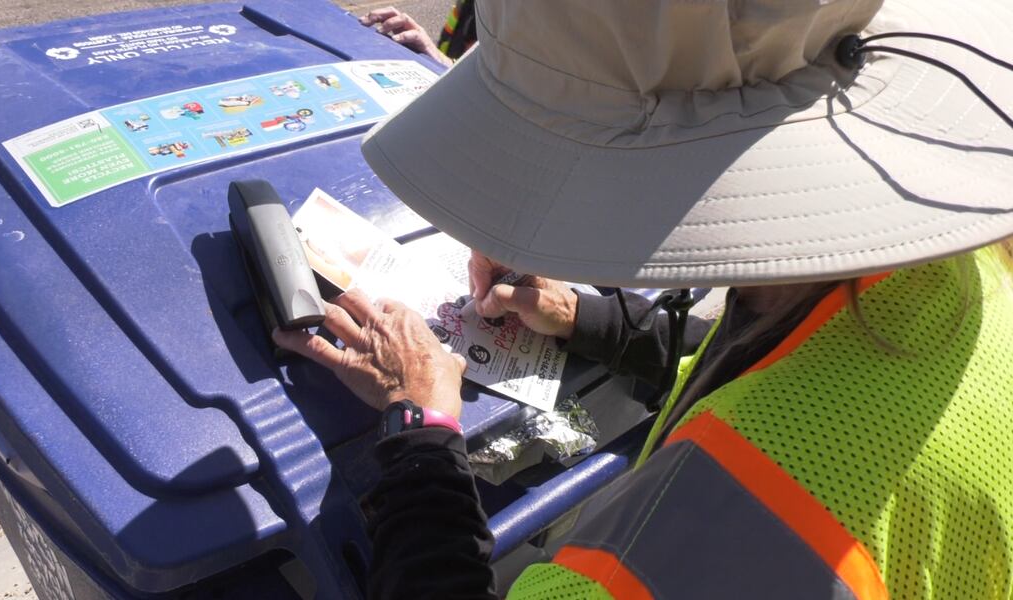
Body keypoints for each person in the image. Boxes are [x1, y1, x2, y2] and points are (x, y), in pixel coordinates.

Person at [279, 1, 1013, 598]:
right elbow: (779, 369)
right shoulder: (946, 264)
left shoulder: (719, 517)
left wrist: (422, 434)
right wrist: (585, 318)